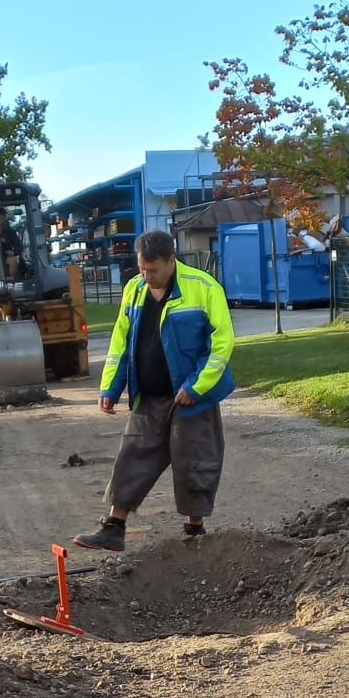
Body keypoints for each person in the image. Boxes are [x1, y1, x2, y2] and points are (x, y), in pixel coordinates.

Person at [73, 229, 235, 552]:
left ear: (171, 260)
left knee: (195, 460)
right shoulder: (134, 290)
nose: (147, 276)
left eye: (154, 270)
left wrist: (197, 386)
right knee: (131, 457)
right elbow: (121, 342)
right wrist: (110, 386)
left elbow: (222, 343)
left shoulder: (203, 288)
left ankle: (194, 532)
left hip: (190, 397)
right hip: (147, 395)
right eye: (142, 269)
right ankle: (113, 527)